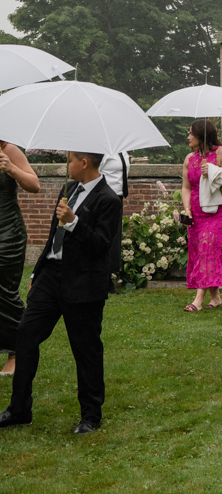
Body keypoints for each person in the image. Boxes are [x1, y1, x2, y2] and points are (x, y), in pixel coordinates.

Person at [0, 150, 119, 433]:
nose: (68, 165)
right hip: (50, 277)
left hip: (83, 283)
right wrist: (37, 272)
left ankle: (90, 416)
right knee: (26, 335)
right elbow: (54, 237)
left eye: (70, 160)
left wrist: (74, 221)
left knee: (85, 349)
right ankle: (19, 410)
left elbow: (102, 246)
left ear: (84, 163)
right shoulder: (69, 189)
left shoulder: (108, 199)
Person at [181, 121, 222, 312]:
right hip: (196, 213)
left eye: (191, 134)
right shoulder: (189, 158)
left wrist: (214, 171)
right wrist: (187, 209)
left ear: (201, 135)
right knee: (201, 251)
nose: (188, 137)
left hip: (218, 212)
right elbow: (186, 187)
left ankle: (198, 300)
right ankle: (216, 297)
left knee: (208, 248)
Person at [0, 143, 39, 378]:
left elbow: (34, 185)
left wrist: (11, 169)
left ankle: (16, 353)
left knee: (5, 293)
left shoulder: (8, 149)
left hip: (7, 233)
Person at [99, 151, 130, 293]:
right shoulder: (105, 151)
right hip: (105, 198)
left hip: (117, 198)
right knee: (106, 236)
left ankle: (108, 278)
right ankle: (102, 280)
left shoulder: (122, 151)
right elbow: (96, 172)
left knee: (114, 238)